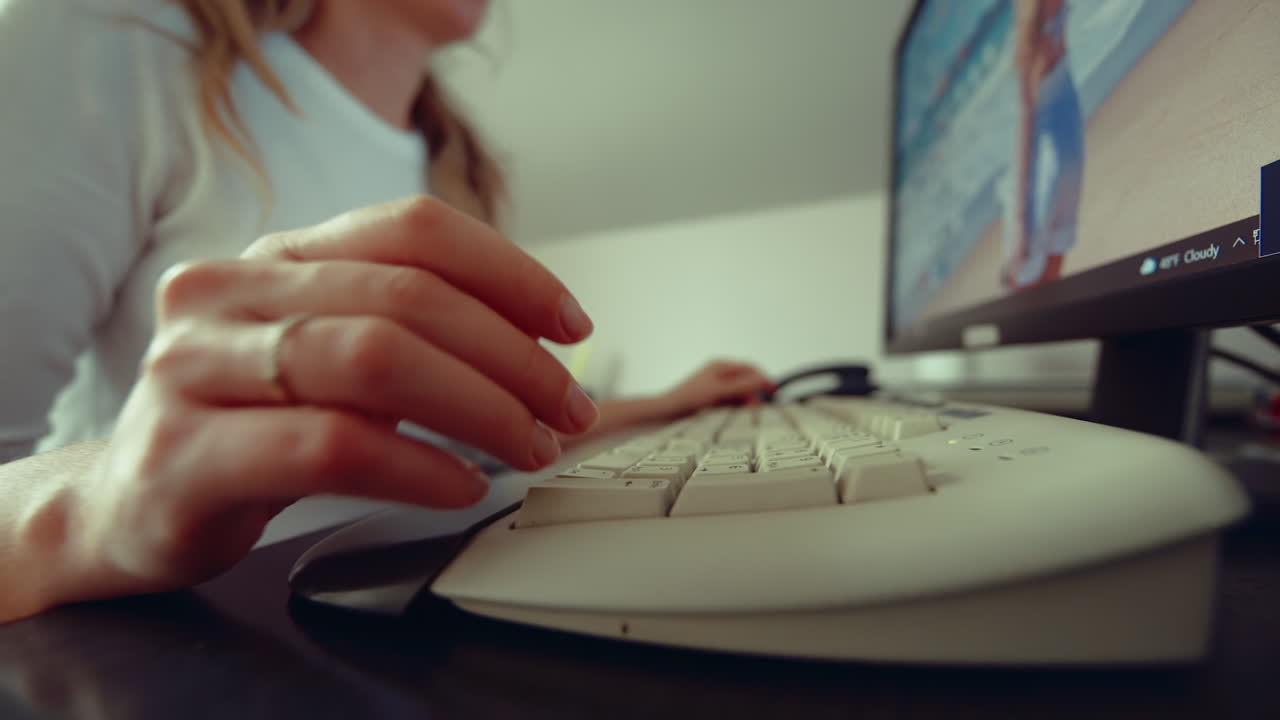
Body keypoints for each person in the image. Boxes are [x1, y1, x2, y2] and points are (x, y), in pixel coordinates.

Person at [0, 0, 773, 624]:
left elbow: (473, 439)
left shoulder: (456, 170)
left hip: (413, 625)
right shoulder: (110, 34)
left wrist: (668, 404)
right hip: (167, 651)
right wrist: (87, 512)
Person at [1002, 0, 1084, 290]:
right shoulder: (1036, 26)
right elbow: (1026, 131)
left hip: (1060, 149)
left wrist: (1021, 225)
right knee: (1041, 269)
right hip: (1065, 143)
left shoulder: (1031, 26)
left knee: (1034, 272)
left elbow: (1026, 131)